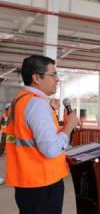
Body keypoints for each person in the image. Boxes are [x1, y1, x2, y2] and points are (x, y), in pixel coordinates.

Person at [3, 55, 80, 214]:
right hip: (43, 182)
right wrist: (69, 126)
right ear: (37, 78)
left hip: (28, 180)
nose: (57, 80)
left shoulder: (20, 99)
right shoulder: (37, 104)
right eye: (53, 74)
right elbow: (50, 149)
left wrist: (50, 110)